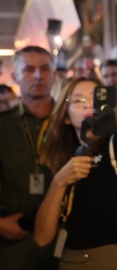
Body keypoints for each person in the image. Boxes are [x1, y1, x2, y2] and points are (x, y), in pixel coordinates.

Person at [34, 77, 117, 269]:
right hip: (67, 259)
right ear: (66, 116)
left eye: (96, 98)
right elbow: (42, 238)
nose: (88, 104)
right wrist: (59, 181)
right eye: (78, 100)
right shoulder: (61, 158)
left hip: (113, 257)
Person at [0, 46, 58, 269]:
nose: (38, 76)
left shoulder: (71, 123)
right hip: (14, 241)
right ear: (15, 76)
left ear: (54, 74)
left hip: (67, 239)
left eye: (45, 69)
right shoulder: (3, 124)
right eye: (29, 70)